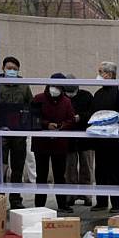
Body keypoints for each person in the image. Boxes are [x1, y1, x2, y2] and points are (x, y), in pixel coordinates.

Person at [0, 56, 33, 209]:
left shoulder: (24, 86)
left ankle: (15, 199)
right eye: (9, 68)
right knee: (0, 166)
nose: (11, 71)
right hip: (0, 133)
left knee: (17, 167)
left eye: (14, 68)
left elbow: (30, 107)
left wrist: (27, 124)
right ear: (3, 69)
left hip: (18, 134)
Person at [32, 73, 75, 212]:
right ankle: (39, 205)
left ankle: (62, 204)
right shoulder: (38, 99)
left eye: (58, 86)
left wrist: (62, 126)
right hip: (41, 144)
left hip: (60, 144)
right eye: (53, 85)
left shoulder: (66, 101)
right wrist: (46, 124)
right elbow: (32, 117)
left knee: (59, 176)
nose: (55, 89)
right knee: (41, 175)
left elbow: (71, 119)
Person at [90, 61, 119, 213]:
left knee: (114, 171)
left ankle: (116, 203)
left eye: (101, 72)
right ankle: (101, 201)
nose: (99, 75)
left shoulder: (118, 91)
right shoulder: (98, 93)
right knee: (100, 170)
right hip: (99, 138)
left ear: (109, 74)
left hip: (113, 138)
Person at [64, 75, 94, 206]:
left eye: (72, 93)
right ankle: (71, 194)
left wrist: (80, 117)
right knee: (70, 168)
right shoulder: (62, 97)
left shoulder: (86, 96)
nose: (70, 95)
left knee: (86, 167)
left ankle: (86, 194)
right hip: (68, 138)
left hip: (86, 137)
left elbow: (93, 113)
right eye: (67, 93)